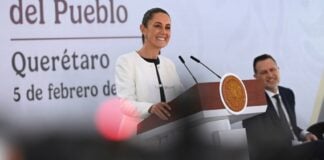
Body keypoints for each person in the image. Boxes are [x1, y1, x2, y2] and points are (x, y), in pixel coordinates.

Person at [243, 54, 324, 160]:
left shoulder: (288, 93)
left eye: (272, 69)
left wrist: (305, 134)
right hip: (274, 155)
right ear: (256, 77)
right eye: (264, 72)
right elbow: (258, 139)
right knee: (320, 147)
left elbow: (291, 126)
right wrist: (297, 144)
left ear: (278, 69)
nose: (270, 75)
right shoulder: (252, 101)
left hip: (296, 149)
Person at [115, 8, 184, 121]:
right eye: (157, 26)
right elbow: (125, 104)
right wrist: (150, 108)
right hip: (137, 135)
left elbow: (182, 98)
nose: (163, 32)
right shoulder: (126, 61)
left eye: (167, 27)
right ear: (143, 29)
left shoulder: (169, 64)